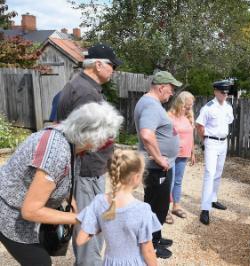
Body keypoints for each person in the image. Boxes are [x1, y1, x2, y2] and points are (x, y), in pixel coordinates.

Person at [0, 101, 123, 266]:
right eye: (106, 138)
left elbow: (59, 177)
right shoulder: (57, 152)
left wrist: (67, 197)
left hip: (19, 206)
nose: (106, 144)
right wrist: (81, 218)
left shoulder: (69, 138)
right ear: (91, 137)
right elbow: (30, 211)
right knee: (40, 262)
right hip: (8, 210)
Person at [56, 43, 123, 266]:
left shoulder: (82, 87)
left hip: (87, 168)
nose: (114, 70)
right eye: (112, 65)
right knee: (90, 225)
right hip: (86, 170)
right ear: (98, 64)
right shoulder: (85, 93)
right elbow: (84, 139)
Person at [76, 149, 160, 266]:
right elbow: (148, 251)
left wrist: (99, 226)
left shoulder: (99, 202)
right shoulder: (142, 209)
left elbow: (81, 239)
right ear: (136, 177)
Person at [133, 70, 182, 259]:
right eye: (170, 89)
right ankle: (151, 245)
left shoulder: (149, 103)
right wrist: (160, 158)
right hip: (156, 167)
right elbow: (146, 134)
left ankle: (156, 237)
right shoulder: (152, 106)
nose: (171, 94)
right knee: (156, 206)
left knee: (157, 204)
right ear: (161, 87)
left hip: (157, 166)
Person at [196, 79, 234, 225]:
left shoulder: (228, 107)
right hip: (211, 141)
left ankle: (213, 199)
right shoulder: (208, 107)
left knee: (218, 173)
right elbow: (199, 125)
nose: (225, 95)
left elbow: (229, 121)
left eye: (227, 93)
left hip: (223, 142)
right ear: (215, 91)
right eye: (222, 92)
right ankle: (205, 209)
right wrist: (204, 140)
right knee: (209, 174)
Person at [165, 91, 196, 224]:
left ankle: (176, 206)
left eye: (190, 106)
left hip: (184, 154)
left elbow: (191, 136)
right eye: (186, 106)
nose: (188, 109)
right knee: (169, 182)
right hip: (171, 154)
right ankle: (164, 209)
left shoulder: (189, 117)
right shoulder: (169, 116)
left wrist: (193, 152)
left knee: (178, 181)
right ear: (179, 103)